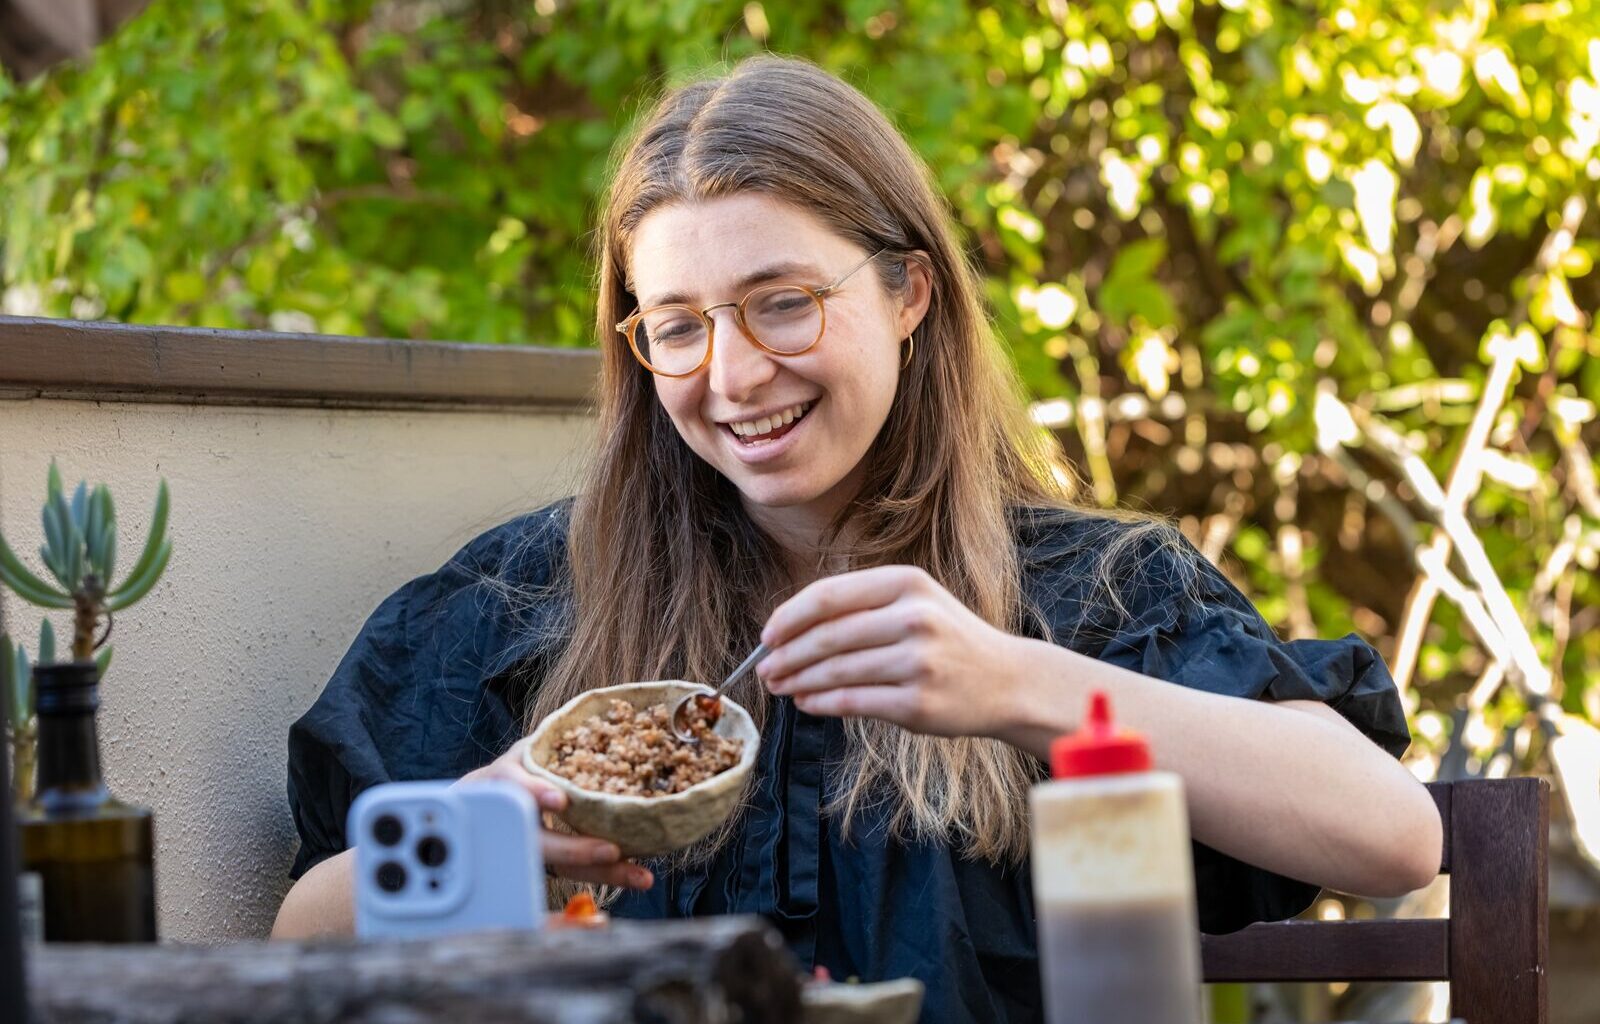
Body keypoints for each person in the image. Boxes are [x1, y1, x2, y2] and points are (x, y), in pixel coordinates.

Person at [272, 55, 1441, 1021]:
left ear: (908, 294)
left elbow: (1389, 835)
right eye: (678, 325)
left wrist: (1016, 681)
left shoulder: (1092, 593)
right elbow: (300, 933)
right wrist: (481, 824)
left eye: (782, 302)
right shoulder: (525, 603)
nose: (732, 376)